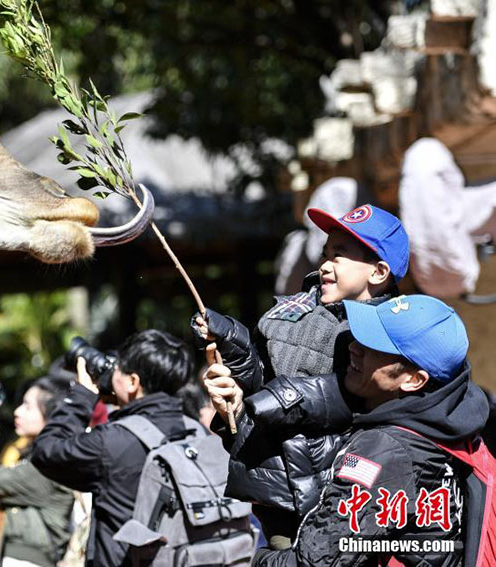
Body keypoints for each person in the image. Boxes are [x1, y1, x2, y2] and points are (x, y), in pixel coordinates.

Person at [207, 295, 489, 566]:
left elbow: (316, 560)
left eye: (375, 347)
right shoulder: (455, 429)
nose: (354, 347)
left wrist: (256, 560)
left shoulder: (382, 452)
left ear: (414, 380)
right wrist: (239, 414)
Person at [192, 203, 410, 546]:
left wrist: (274, 401)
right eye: (325, 254)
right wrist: (234, 349)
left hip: (341, 493)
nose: (324, 265)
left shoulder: (392, 333)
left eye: (339, 256)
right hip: (277, 488)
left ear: (379, 272)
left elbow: (350, 396)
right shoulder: (292, 311)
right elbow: (259, 381)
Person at [30, 329, 194, 567]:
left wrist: (82, 396)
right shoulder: (195, 431)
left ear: (133, 382)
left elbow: (46, 451)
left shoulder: (113, 442)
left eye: (118, 368)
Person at [0, 376, 75, 567]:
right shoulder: (48, 455)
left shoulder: (49, 465)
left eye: (28, 406)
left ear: (52, 415)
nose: (17, 411)